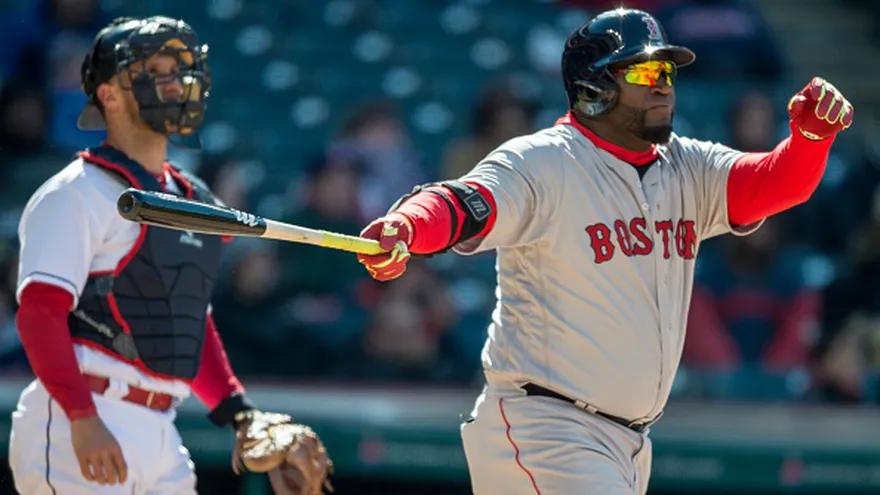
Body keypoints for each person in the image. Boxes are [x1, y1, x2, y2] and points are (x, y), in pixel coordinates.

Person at [355, 7, 853, 495]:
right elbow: (463, 204)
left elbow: (774, 183)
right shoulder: (545, 160)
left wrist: (810, 140)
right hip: (547, 425)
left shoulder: (687, 165)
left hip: (625, 440)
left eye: (666, 70)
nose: (662, 83)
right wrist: (406, 226)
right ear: (594, 88)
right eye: (643, 69)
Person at [9, 15, 332, 495]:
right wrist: (81, 416)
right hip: (85, 411)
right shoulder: (76, 193)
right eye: (152, 70)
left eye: (178, 70)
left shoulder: (193, 199)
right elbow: (39, 313)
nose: (174, 82)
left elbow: (187, 325)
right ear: (109, 94)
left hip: (162, 428)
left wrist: (240, 416)